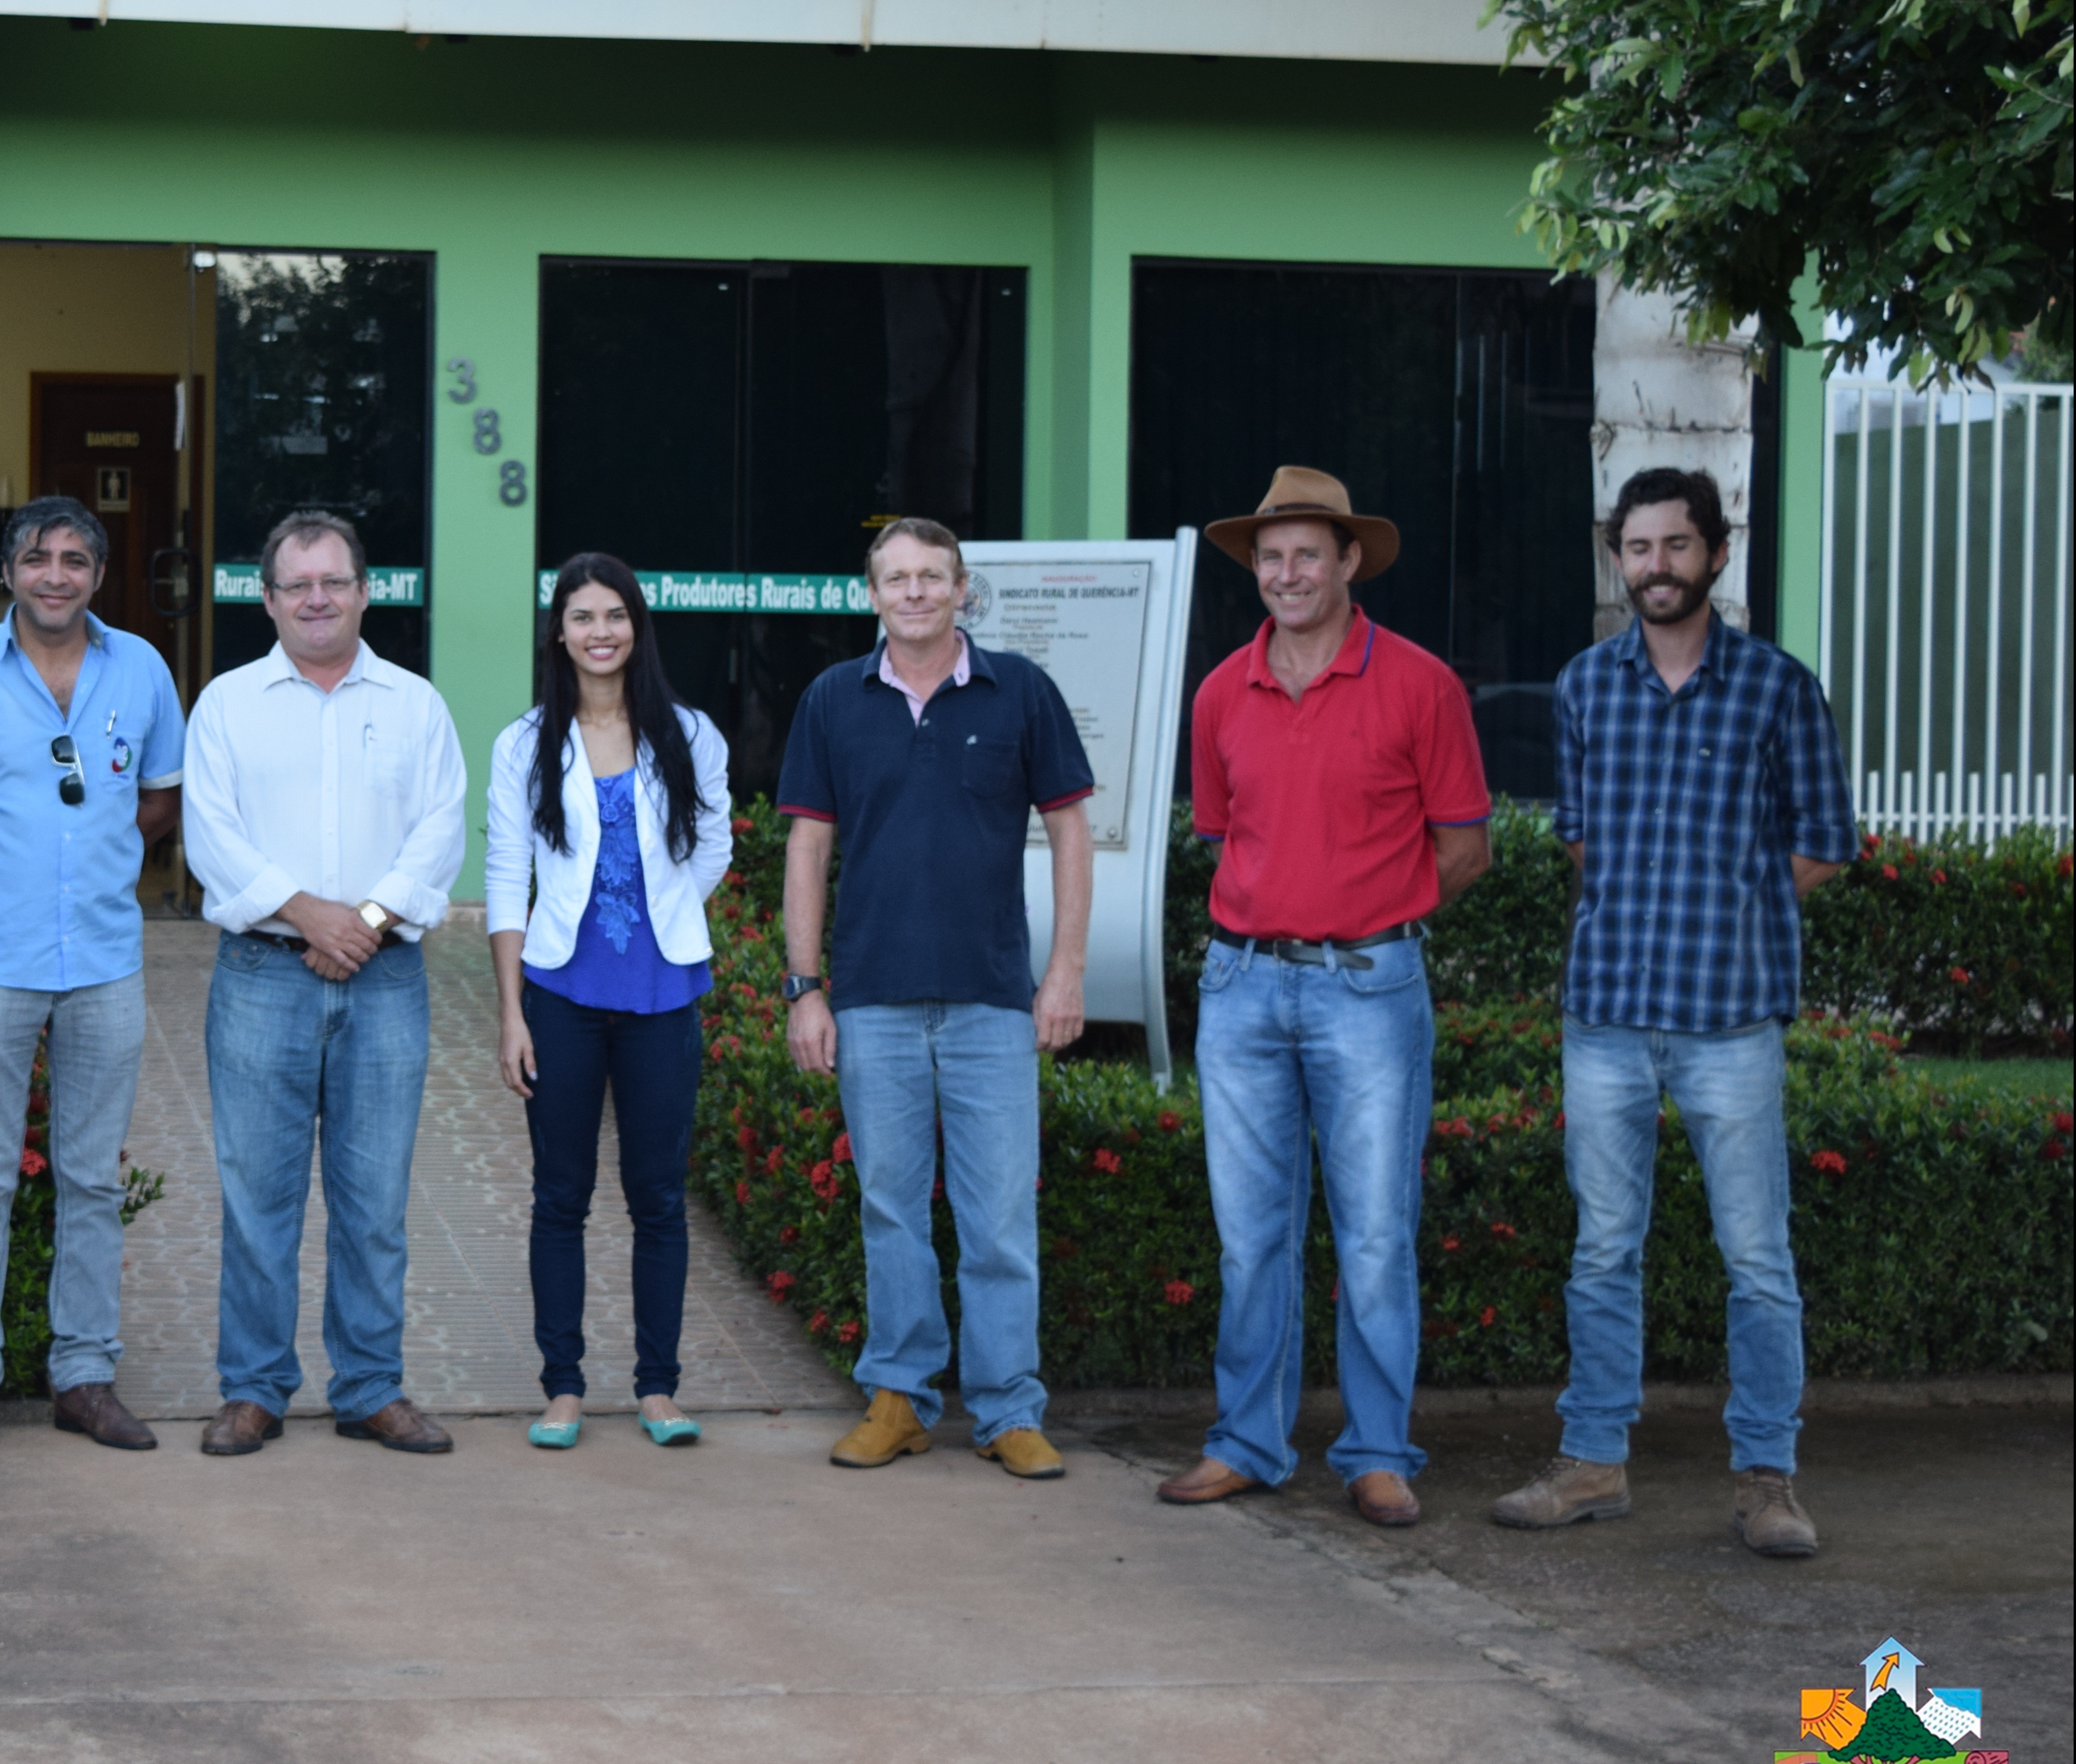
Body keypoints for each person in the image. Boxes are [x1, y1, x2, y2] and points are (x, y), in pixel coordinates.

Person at [1492, 467, 1857, 1557]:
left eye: (1676, 546)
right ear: (1620, 557)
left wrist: (1733, 906)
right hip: (1605, 1015)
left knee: (1757, 1257)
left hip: (1730, 1018)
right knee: (1604, 1250)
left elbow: (1824, 842)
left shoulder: (1778, 688)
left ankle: (1766, 1481)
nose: (1657, 566)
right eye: (1638, 548)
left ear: (1716, 553)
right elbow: (1578, 840)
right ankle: (1594, 1462)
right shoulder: (1583, 686)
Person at [1158, 467, 1490, 1529]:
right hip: (1242, 986)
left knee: (1376, 1235)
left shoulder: (1422, 684)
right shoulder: (1220, 692)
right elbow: (1225, 834)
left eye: (1308, 553)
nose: (1287, 573)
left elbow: (1466, 847)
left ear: (1351, 562)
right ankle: (1248, 1442)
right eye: (1270, 556)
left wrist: (1373, 916)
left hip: (1369, 988)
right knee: (1250, 1236)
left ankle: (1378, 1451)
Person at [778, 518, 1097, 1479]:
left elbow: (1072, 834)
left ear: (963, 589)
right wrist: (805, 990)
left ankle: (1007, 1410)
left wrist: (1066, 972)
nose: (914, 592)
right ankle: (901, 1399)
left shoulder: (1021, 693)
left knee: (1000, 1215)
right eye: (896, 578)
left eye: (932, 576)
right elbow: (808, 849)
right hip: (871, 1000)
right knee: (890, 1209)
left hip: (992, 1001)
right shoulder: (834, 699)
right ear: (872, 594)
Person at [0, 497, 184, 1455]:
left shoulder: (140, 668)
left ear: (97, 576)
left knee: (91, 1178)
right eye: (35, 558)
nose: (53, 574)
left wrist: (92, 859)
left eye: (72, 560)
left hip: (103, 959)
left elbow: (160, 798)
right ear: (9, 572)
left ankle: (83, 1377)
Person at [183, 510, 470, 1458]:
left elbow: (440, 833)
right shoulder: (226, 703)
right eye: (297, 584)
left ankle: (372, 1389)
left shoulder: (417, 705)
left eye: (334, 581)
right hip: (263, 974)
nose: (316, 598)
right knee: (257, 1200)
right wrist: (313, 916)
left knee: (374, 1200)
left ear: (364, 591)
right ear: (267, 598)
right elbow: (212, 837)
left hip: (386, 982)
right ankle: (255, 1389)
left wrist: (369, 923)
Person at [486, 552, 734, 1449]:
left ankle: (658, 1389)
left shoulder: (691, 733)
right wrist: (511, 1012)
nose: (601, 633)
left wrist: (663, 909)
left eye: (616, 616)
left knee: (658, 1197)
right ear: (559, 631)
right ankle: (562, 1388)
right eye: (583, 617)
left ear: (637, 627)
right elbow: (506, 878)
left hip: (663, 993)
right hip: (560, 992)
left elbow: (714, 845)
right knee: (562, 1195)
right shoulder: (524, 742)